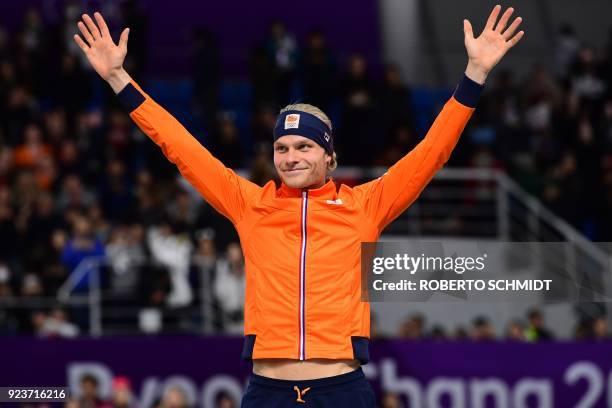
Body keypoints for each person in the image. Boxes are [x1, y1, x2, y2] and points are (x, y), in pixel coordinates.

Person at [73, 6, 524, 406]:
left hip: (342, 389)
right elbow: (181, 149)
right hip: (267, 391)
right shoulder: (251, 204)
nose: (291, 157)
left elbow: (433, 152)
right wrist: (118, 78)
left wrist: (475, 75)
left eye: (305, 146)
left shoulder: (365, 204)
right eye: (282, 147)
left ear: (329, 155)